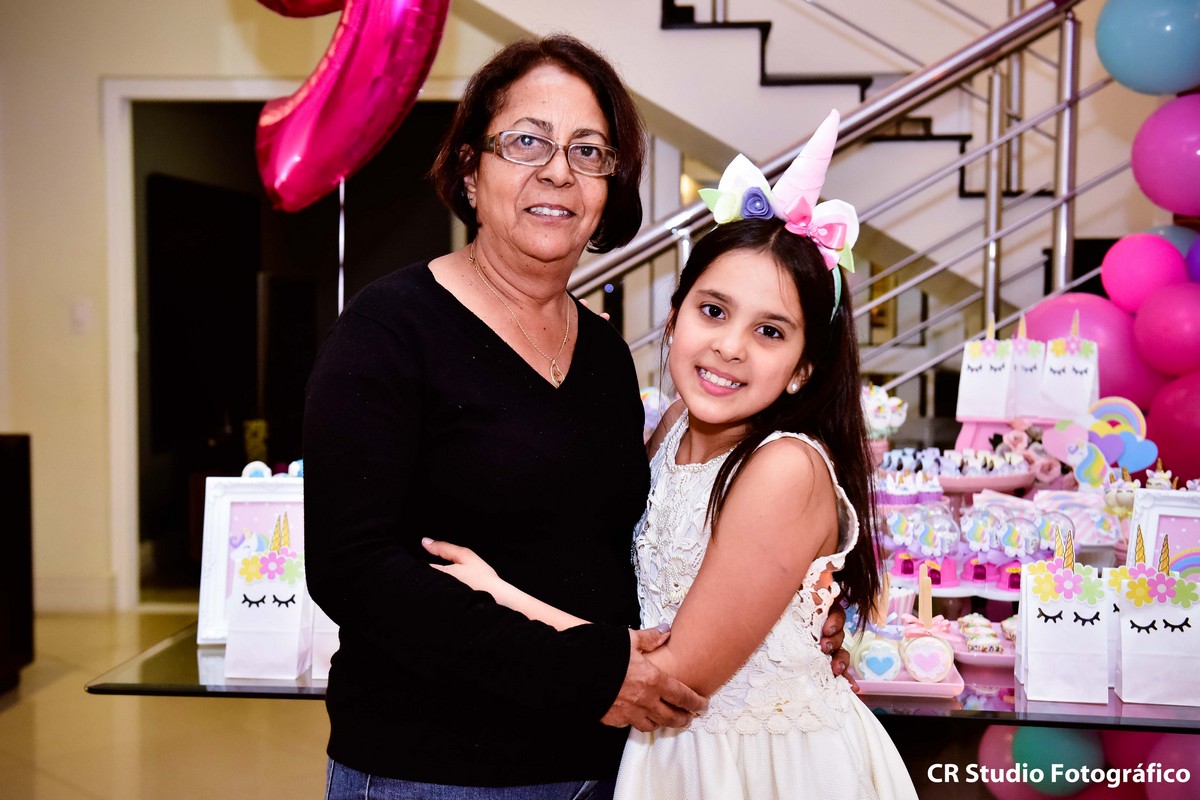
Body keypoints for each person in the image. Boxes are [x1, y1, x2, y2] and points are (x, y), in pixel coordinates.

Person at [303, 35, 849, 800]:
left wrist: (786, 618)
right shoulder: (389, 329)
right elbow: (352, 569)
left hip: (607, 766)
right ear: (470, 169)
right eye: (527, 141)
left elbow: (620, 549)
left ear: (607, 190)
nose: (559, 171)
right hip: (435, 769)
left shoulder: (602, 353)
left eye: (588, 151)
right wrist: (587, 673)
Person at [423, 110, 919, 799]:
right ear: (675, 314)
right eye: (713, 311)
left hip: (761, 767)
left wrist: (499, 596)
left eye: (770, 332)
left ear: (803, 369)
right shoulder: (674, 425)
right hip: (672, 755)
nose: (729, 346)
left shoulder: (785, 468)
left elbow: (674, 677)